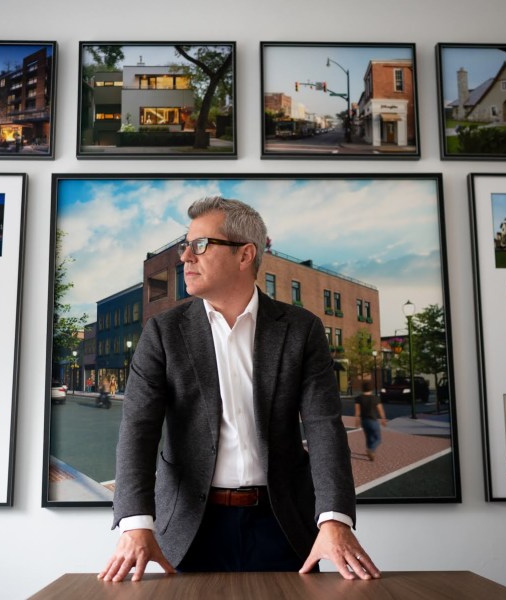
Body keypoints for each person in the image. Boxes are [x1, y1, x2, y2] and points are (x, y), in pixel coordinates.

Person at [99, 196, 380, 582]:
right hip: (188, 527)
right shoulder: (163, 332)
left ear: (245, 254)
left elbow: (324, 426)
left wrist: (334, 519)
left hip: (283, 523)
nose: (185, 257)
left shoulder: (302, 329)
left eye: (200, 245)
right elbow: (137, 430)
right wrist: (135, 523)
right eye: (185, 246)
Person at [359, 390, 387, 460]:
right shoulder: (375, 398)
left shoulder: (360, 398)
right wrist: (383, 419)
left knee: (369, 437)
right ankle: (371, 450)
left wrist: (357, 420)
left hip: (364, 421)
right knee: (378, 439)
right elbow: (380, 410)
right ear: (371, 390)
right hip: (373, 421)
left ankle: (371, 453)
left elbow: (357, 411)